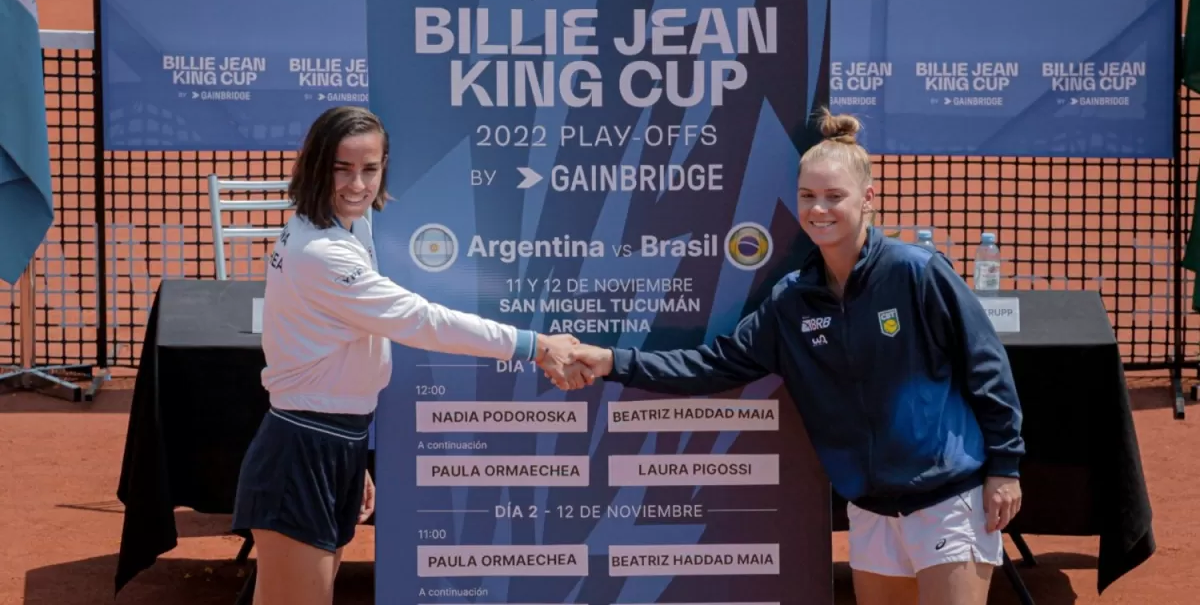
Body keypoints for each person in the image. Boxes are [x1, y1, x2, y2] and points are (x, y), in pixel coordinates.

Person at [562, 110, 1024, 605]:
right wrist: (614, 360)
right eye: (807, 197)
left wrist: (1005, 466)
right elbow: (712, 364)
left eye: (834, 196)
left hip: (947, 499)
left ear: (868, 199)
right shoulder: (791, 301)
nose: (818, 209)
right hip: (870, 510)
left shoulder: (917, 272)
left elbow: (986, 365)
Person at [231, 106, 579, 605]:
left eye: (369, 169)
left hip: (330, 441)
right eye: (341, 168)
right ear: (315, 166)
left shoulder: (340, 226)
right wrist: (536, 345)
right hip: (302, 452)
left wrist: (353, 457)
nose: (357, 185)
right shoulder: (322, 252)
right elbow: (422, 321)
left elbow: (340, 367)